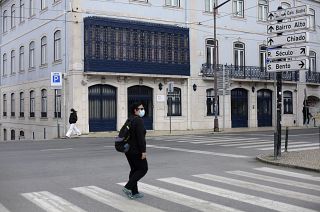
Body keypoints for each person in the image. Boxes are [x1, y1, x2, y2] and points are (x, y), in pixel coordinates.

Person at [122, 102, 148, 199]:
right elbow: (140, 138)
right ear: (135, 110)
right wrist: (143, 151)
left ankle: (134, 192)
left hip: (128, 150)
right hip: (136, 150)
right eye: (140, 108)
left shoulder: (130, 119)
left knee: (134, 169)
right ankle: (128, 187)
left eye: (143, 108)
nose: (142, 110)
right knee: (143, 169)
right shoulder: (138, 120)